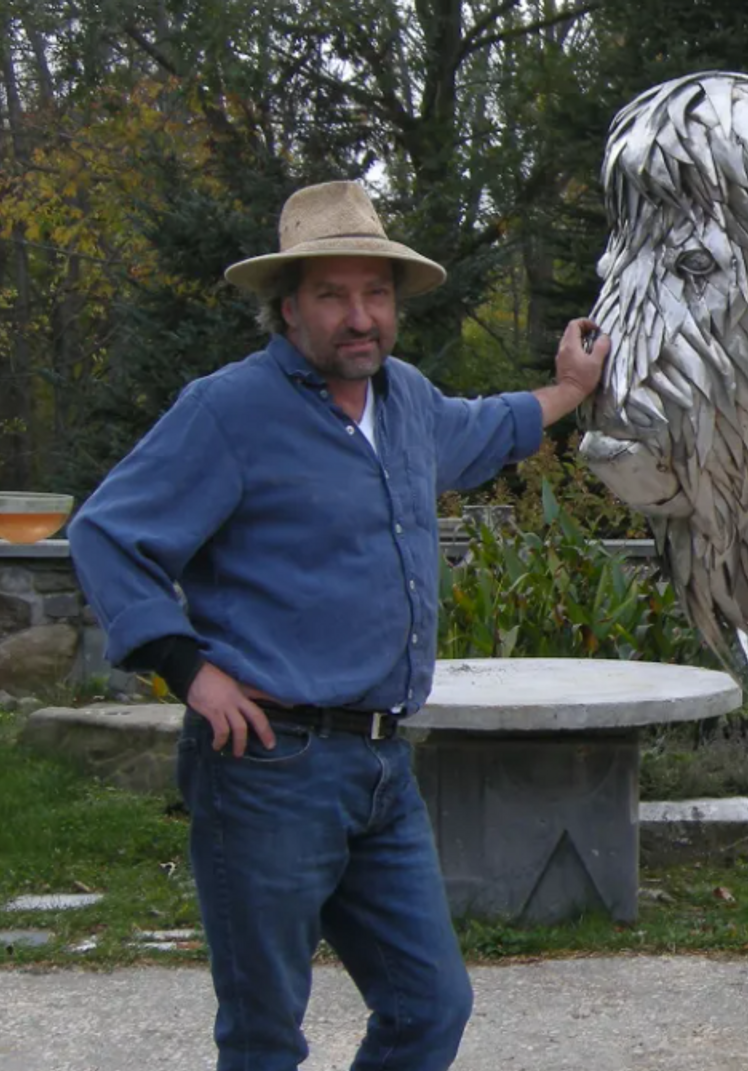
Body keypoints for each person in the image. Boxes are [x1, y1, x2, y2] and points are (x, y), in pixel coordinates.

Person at [68, 180, 610, 1071]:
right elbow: (106, 532)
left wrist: (564, 390)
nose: (358, 317)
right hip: (266, 768)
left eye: (376, 293)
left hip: (379, 767)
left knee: (429, 1006)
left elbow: (484, 429)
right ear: (288, 308)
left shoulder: (406, 403)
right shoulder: (229, 410)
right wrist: (187, 667)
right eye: (332, 294)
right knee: (264, 1033)